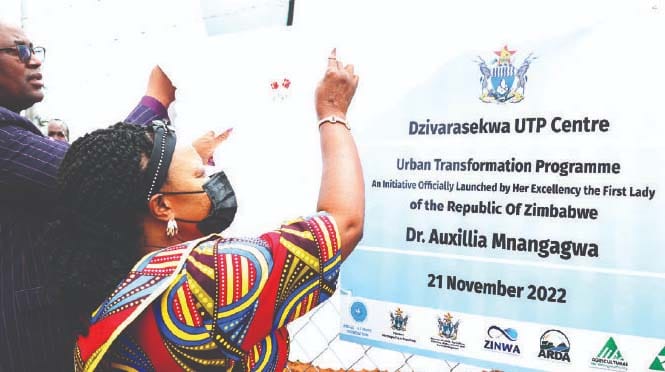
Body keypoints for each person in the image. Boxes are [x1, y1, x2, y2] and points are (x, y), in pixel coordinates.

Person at [51, 49, 363, 371]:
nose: (213, 176)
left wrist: (186, 158)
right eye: (200, 174)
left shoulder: (108, 281)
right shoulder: (207, 278)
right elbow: (345, 224)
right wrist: (332, 111)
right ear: (162, 206)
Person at [0, 20, 222, 371]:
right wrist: (156, 100)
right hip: (30, 338)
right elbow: (90, 172)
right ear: (162, 207)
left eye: (36, 50)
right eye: (20, 50)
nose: (35, 60)